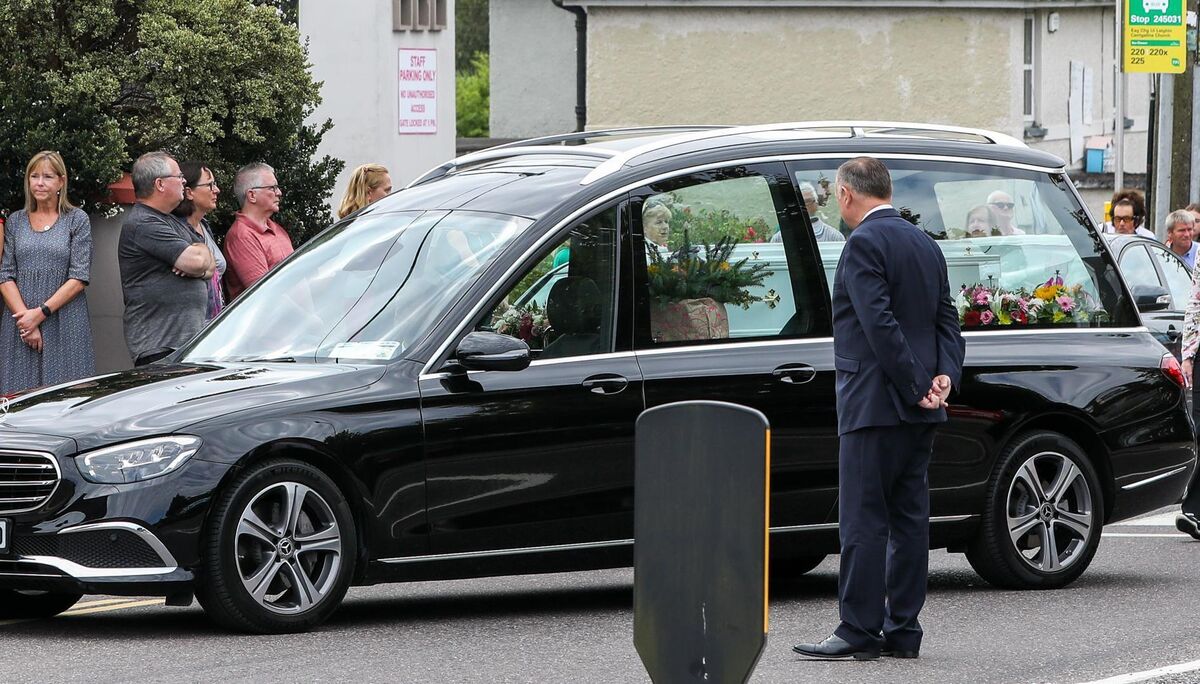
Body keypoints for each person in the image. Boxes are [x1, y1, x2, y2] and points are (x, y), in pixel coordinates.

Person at [793, 157, 964, 662]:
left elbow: (878, 324)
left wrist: (915, 385)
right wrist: (943, 377)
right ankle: (903, 630)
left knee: (864, 521)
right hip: (921, 406)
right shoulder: (925, 242)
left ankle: (858, 629)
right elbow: (947, 320)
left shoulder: (863, 242)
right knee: (910, 520)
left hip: (875, 402)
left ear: (846, 194)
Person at [0, 151, 95, 393]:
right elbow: (5, 274)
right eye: (34, 176)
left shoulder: (76, 220)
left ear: (61, 182)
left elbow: (79, 276)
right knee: (17, 397)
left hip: (65, 320)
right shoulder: (15, 221)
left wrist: (40, 314)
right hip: (20, 324)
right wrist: (27, 322)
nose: (40, 183)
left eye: (48, 177)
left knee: (68, 395)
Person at [118, 151, 215, 366]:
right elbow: (198, 262)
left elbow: (210, 266)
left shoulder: (171, 222)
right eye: (179, 176)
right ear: (160, 184)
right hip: (161, 349)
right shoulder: (143, 223)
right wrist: (197, 261)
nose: (183, 181)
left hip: (183, 346)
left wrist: (199, 257)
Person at [224, 162, 293, 300]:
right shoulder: (242, 236)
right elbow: (265, 294)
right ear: (252, 195)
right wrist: (304, 313)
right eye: (272, 188)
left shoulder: (277, 229)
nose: (279, 193)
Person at [171, 162, 228, 320]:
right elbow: (198, 265)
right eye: (210, 185)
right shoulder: (177, 230)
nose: (216, 190)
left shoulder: (204, 225)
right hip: (195, 324)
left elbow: (209, 266)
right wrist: (204, 265)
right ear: (189, 192)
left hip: (215, 320)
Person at [773, 181, 844, 243]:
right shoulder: (780, 238)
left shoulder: (833, 236)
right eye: (799, 202)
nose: (803, 206)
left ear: (816, 203)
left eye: (807, 201)